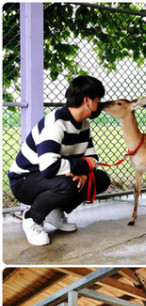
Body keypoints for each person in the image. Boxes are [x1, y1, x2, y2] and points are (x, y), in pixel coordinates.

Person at [7, 75, 111, 246]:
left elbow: (92, 157)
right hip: (24, 181)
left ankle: (55, 211)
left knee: (100, 179)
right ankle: (31, 218)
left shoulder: (83, 124)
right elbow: (49, 167)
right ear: (87, 101)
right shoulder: (55, 123)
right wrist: (84, 166)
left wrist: (85, 174)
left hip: (54, 176)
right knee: (67, 185)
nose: (99, 105)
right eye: (98, 100)